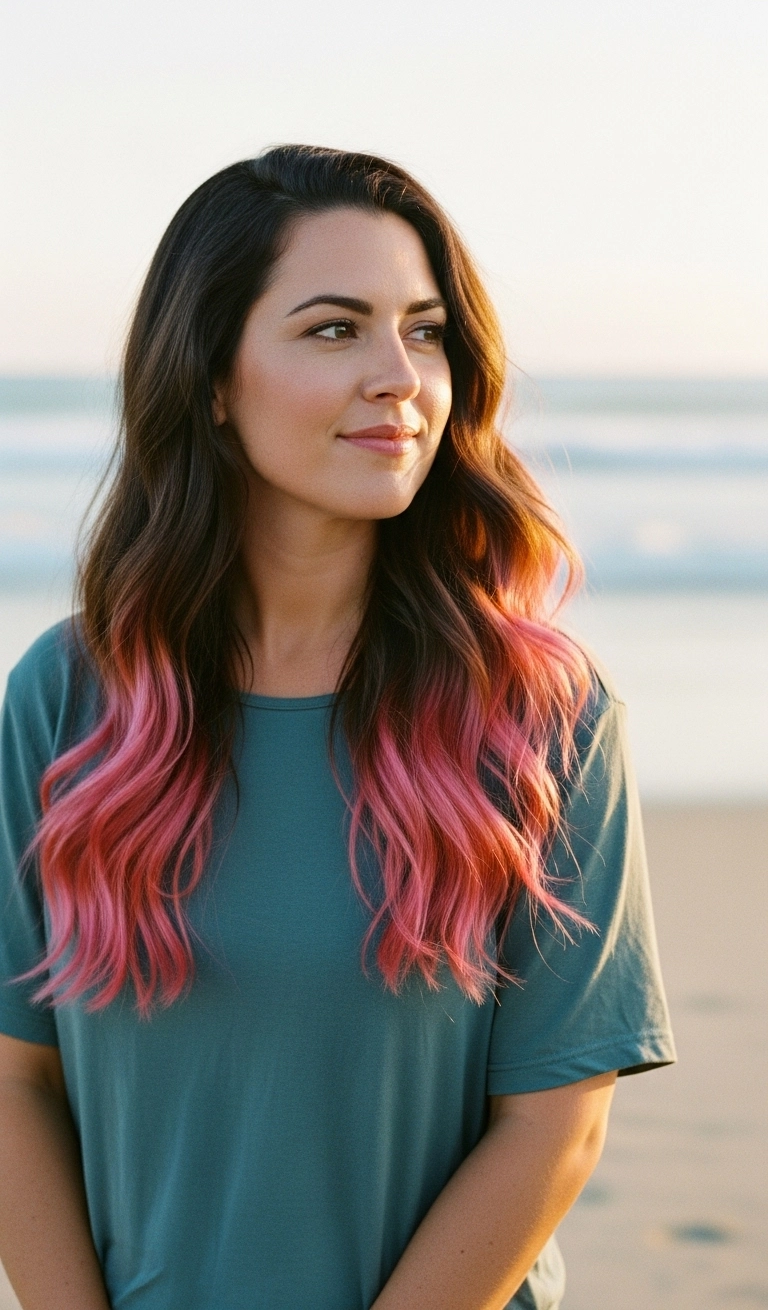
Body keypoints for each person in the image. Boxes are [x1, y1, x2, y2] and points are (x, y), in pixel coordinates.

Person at [0, 146, 675, 1310]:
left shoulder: (543, 713)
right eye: (333, 330)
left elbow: (554, 1126)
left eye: (425, 332)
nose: (400, 377)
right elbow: (14, 1083)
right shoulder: (69, 698)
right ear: (212, 377)